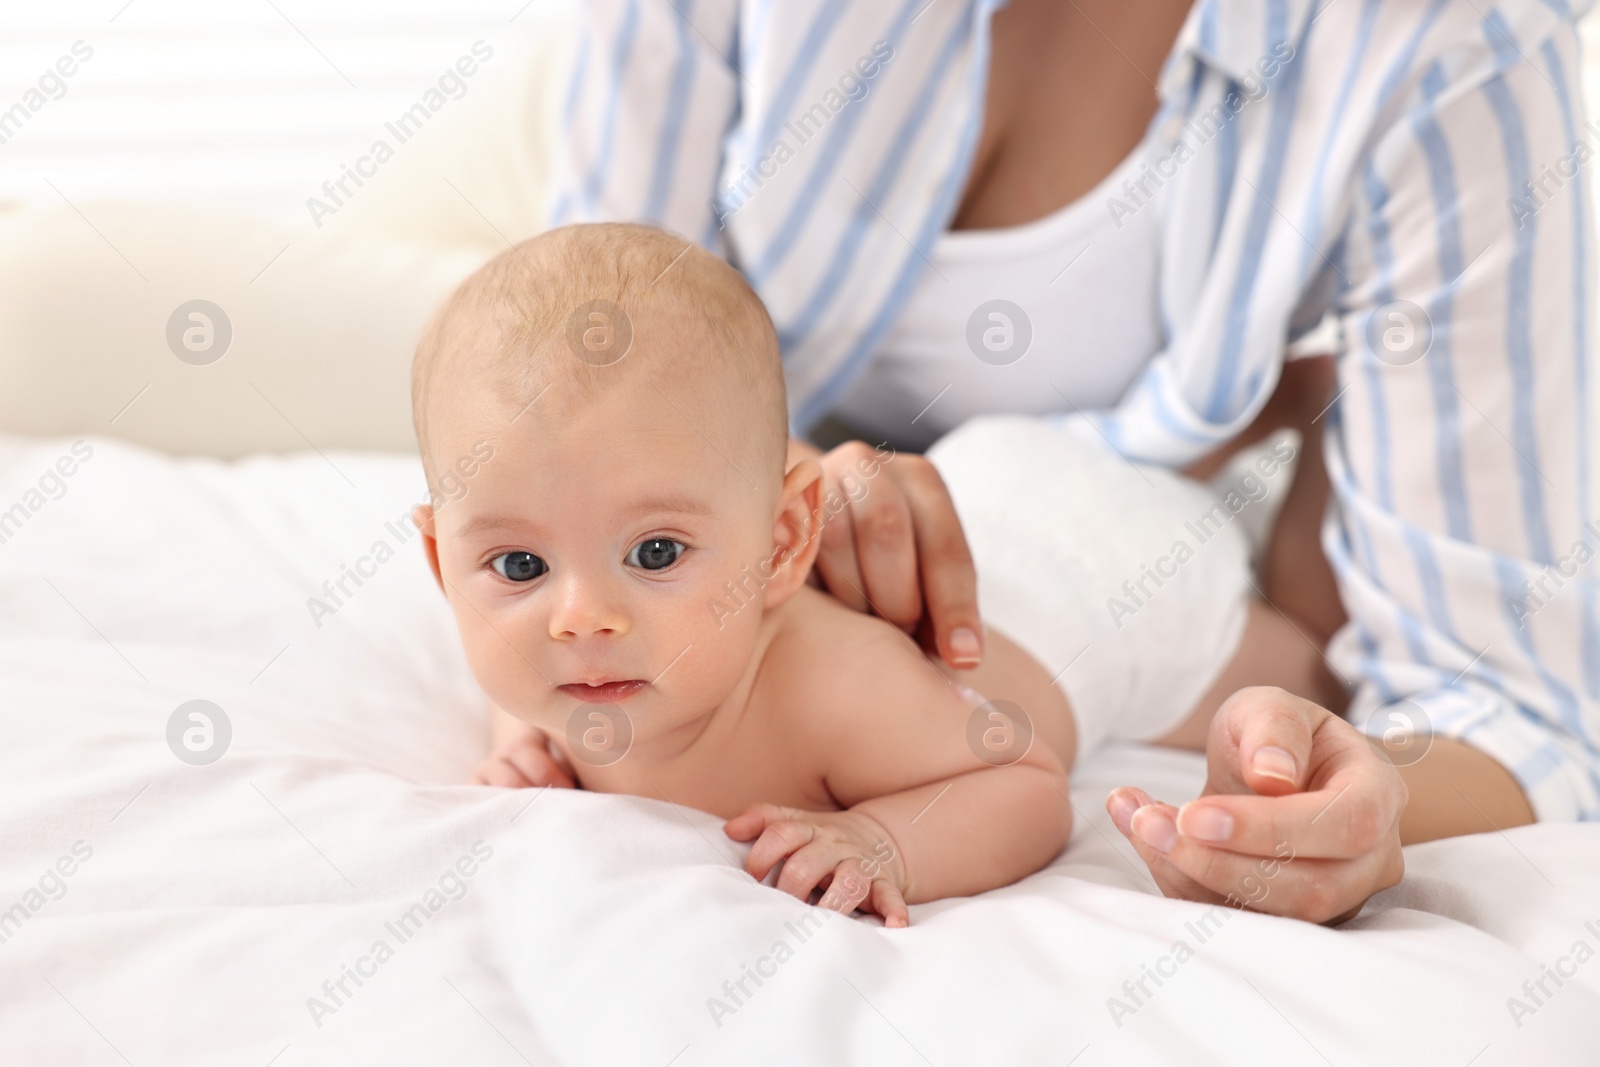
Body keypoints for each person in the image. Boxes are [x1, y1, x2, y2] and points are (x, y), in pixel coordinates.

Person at [542, 0, 1600, 922]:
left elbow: (1506, 703)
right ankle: (1270, 411)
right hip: (897, 496)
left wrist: (1370, 802)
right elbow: (581, 353)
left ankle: (1284, 428)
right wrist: (781, 477)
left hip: (1139, 530)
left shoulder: (1453, 52)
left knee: (1285, 647)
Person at [419, 222, 1355, 925]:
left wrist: (886, 839)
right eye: (519, 564)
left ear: (782, 545)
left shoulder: (830, 687)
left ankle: (1307, 403)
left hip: (1102, 568)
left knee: (1315, 663)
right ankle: (1225, 417)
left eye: (656, 552)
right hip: (985, 486)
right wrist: (523, 737)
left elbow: (1024, 781)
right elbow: (536, 670)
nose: (580, 621)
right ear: (441, 564)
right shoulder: (565, 654)